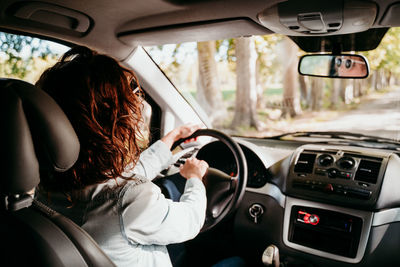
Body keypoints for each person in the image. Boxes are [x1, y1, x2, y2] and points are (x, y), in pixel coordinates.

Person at [34, 46, 209, 267]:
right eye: (131, 99)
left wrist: (172, 138)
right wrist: (195, 179)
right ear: (112, 121)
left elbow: (127, 175)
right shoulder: (130, 199)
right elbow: (189, 222)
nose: (136, 105)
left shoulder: (46, 187)